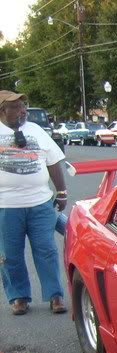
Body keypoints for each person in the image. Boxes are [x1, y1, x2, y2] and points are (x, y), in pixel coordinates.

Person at [0, 91, 68, 315]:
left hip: (40, 203)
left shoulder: (35, 130)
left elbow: (53, 161)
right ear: (3, 111)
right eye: (17, 107)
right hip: (6, 207)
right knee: (10, 255)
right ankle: (19, 297)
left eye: (23, 105)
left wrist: (62, 191)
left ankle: (55, 295)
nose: (23, 110)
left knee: (47, 250)